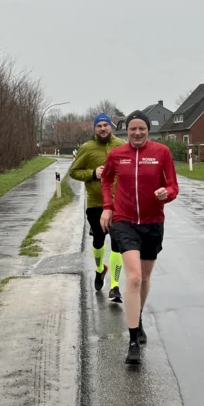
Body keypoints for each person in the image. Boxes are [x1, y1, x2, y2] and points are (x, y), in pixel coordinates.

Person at [100, 112, 179, 364]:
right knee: (133, 277)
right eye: (132, 129)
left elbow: (174, 186)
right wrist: (107, 206)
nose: (137, 133)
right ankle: (133, 340)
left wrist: (165, 193)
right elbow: (106, 179)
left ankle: (139, 315)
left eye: (141, 128)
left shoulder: (162, 152)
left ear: (148, 130)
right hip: (124, 221)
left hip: (153, 223)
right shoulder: (116, 155)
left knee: (144, 277)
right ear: (126, 131)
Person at [68, 113, 124, 301]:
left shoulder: (122, 146)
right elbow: (74, 172)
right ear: (94, 129)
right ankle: (100, 269)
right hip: (95, 203)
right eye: (99, 126)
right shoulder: (87, 148)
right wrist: (93, 173)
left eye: (105, 125)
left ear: (111, 127)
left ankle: (115, 286)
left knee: (118, 243)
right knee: (99, 240)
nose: (102, 129)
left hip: (119, 204)